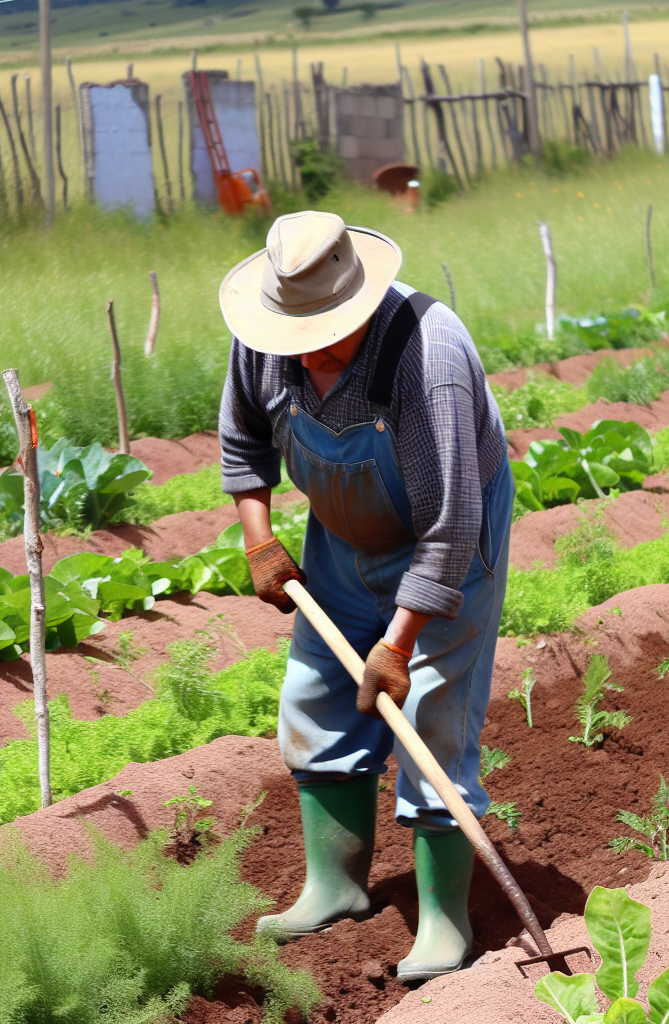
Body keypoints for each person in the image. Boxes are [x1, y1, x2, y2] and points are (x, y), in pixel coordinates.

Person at [217, 211, 512, 981]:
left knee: (432, 717)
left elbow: (449, 525)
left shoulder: (428, 355)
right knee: (315, 693)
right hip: (340, 542)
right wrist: (259, 538)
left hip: (446, 537)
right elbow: (243, 440)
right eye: (298, 334)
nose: (311, 351)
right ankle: (334, 884)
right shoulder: (264, 337)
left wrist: (398, 644)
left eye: (330, 332)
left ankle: (447, 925)